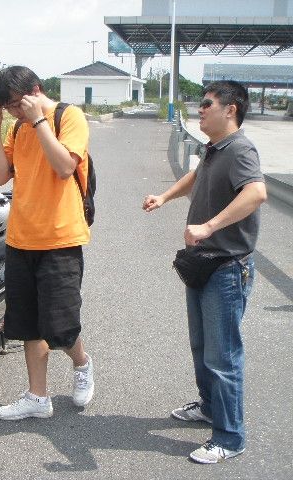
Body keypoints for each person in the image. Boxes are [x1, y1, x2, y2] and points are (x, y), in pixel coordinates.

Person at [143, 80, 267, 464]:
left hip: (227, 267)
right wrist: (164, 196)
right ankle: (211, 407)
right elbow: (197, 176)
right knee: (203, 348)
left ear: (231, 109)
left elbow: (257, 193)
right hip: (203, 264)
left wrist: (209, 226)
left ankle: (230, 437)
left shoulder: (242, 148)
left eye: (207, 104)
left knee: (223, 355)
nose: (200, 109)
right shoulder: (214, 148)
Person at [0, 66, 94, 420]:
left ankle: (82, 363)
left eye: (17, 104)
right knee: (27, 323)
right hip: (21, 238)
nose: (15, 111)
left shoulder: (69, 115)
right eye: (9, 107)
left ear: (34, 90)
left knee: (60, 327)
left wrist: (39, 122)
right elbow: (1, 176)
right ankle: (38, 396)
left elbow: (64, 167)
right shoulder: (17, 126)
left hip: (60, 238)